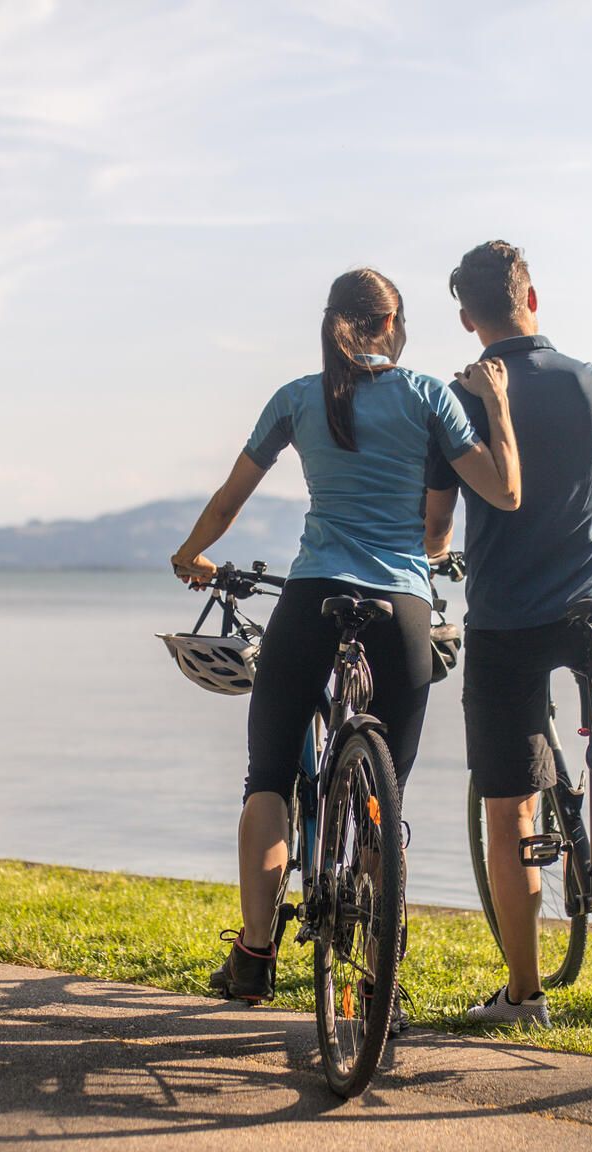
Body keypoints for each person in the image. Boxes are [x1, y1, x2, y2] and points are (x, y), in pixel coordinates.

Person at [173, 267, 523, 1004]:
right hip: (402, 607)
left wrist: (190, 553)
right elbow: (505, 492)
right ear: (393, 326)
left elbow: (230, 497)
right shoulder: (428, 396)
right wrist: (496, 408)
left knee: (269, 774)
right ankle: (379, 989)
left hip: (314, 598)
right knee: (384, 795)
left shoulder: (298, 397)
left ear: (331, 321)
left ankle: (256, 956)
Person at [426, 240, 592, 1027]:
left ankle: (525, 994)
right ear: (534, 297)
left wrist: (439, 553)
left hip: (504, 621)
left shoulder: (460, 398)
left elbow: (435, 524)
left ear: (468, 318)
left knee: (511, 807)